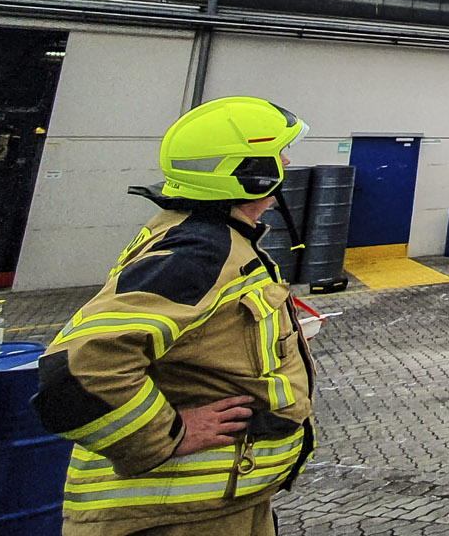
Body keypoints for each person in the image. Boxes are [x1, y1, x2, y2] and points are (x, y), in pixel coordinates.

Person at [32, 96, 316, 536]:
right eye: (279, 153)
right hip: (174, 515)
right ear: (250, 170)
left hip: (219, 505)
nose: (287, 161)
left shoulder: (205, 235)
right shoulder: (201, 252)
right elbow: (80, 366)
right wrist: (169, 435)